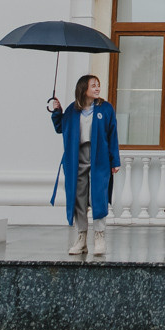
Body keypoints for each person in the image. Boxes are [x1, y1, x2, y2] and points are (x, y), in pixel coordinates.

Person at [48, 74, 120, 256]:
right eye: (93, 86)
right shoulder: (73, 110)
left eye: (98, 85)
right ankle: (81, 238)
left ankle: (99, 236)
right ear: (83, 89)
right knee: (79, 199)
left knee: (98, 198)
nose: (97, 88)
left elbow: (112, 135)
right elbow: (60, 128)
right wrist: (57, 111)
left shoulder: (106, 108)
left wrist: (115, 160)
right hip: (76, 160)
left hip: (99, 159)